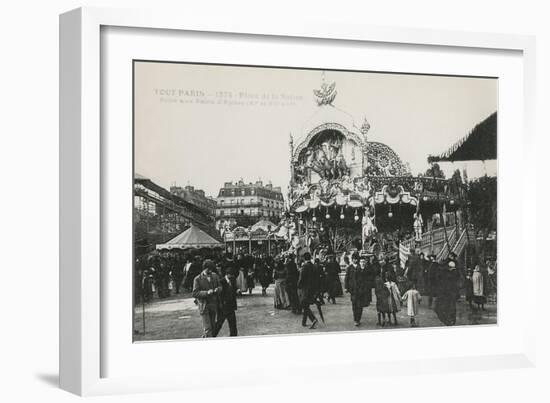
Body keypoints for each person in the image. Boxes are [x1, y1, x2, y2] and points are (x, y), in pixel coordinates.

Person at [192, 259, 222, 337]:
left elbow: (220, 286)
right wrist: (206, 293)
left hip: (213, 304)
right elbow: (195, 293)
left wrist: (218, 289)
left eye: (211, 269)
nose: (210, 271)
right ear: (204, 268)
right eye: (209, 269)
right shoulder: (197, 279)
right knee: (208, 328)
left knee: (213, 327)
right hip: (204, 305)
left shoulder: (215, 276)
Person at [344, 253, 371, 327]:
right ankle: (355, 318)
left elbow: (365, 278)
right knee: (354, 305)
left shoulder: (361, 268)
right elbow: (346, 278)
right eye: (353, 259)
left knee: (360, 305)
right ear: (352, 259)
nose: (355, 260)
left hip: (360, 290)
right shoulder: (350, 268)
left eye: (356, 259)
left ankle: (357, 319)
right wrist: (346, 287)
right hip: (353, 290)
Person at [213, 267, 238, 337]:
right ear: (227, 274)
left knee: (233, 324)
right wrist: (221, 304)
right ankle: (212, 336)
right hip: (223, 307)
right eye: (231, 275)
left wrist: (237, 290)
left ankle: (233, 337)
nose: (232, 277)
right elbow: (219, 295)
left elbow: (234, 288)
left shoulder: (233, 280)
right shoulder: (221, 281)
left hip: (231, 306)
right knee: (219, 323)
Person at [434, 261, 460, 326]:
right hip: (449, 293)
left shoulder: (447, 274)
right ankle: (450, 320)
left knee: (445, 307)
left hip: (446, 293)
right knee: (450, 307)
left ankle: (448, 320)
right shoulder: (453, 273)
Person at [297, 252, 319, 329]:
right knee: (306, 305)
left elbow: (301, 278)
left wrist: (298, 285)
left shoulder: (304, 267)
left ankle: (313, 319)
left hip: (305, 289)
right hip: (312, 289)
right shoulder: (314, 266)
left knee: (304, 304)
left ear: (304, 258)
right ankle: (304, 322)